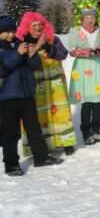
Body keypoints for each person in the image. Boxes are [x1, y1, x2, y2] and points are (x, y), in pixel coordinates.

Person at [0, 15, 63, 176]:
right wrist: (18, 54)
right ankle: (11, 164)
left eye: (13, 31)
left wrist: (32, 55)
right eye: (6, 32)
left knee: (34, 128)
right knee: (11, 132)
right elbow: (3, 68)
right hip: (7, 98)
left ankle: (41, 157)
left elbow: (35, 66)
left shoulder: (20, 44)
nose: (11, 35)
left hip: (27, 95)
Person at [16, 12, 77, 156]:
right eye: (34, 25)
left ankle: (66, 142)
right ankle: (41, 146)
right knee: (37, 114)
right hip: (35, 84)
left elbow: (63, 54)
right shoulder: (23, 42)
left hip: (56, 83)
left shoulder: (53, 39)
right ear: (27, 28)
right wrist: (38, 46)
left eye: (40, 25)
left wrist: (47, 46)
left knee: (61, 112)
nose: (37, 28)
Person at [68, 0, 100, 145]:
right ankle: (85, 131)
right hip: (82, 69)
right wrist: (88, 52)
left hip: (99, 68)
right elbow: (71, 49)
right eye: (87, 18)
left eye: (92, 17)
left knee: (97, 101)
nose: (90, 20)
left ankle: (96, 129)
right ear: (82, 18)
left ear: (96, 18)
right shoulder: (75, 31)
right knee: (87, 102)